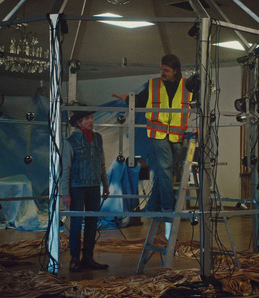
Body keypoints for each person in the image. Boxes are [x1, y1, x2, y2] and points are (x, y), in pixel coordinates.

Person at [112, 54, 192, 214]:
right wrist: (127, 98)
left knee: (165, 172)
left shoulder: (187, 87)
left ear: (175, 71)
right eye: (161, 69)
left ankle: (153, 206)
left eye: (166, 70)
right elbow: (140, 101)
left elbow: (196, 105)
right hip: (158, 133)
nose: (162, 73)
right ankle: (168, 207)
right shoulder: (153, 85)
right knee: (165, 168)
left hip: (177, 136)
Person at [61, 106, 110, 272]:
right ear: (79, 123)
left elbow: (102, 163)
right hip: (77, 187)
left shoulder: (97, 139)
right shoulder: (70, 141)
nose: (91, 121)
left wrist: (105, 184)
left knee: (92, 223)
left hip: (94, 187)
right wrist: (65, 193)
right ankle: (74, 258)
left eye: (91, 117)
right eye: (87, 118)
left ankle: (88, 258)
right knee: (76, 223)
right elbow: (65, 168)